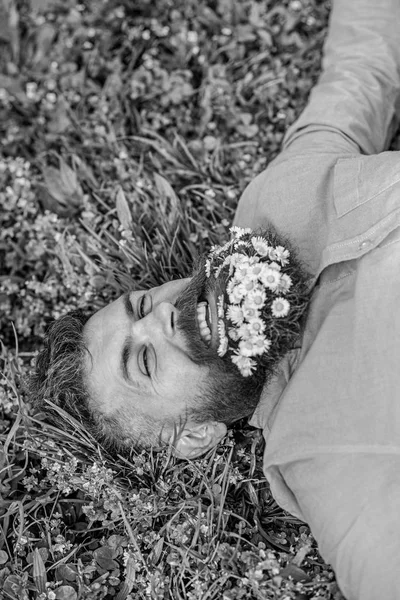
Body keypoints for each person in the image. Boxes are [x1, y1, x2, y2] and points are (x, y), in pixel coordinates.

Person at [29, 0, 400, 598]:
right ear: (196, 436)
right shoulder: (326, 457)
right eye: (143, 360)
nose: (163, 317)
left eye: (142, 303)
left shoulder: (268, 207)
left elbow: (357, 77)